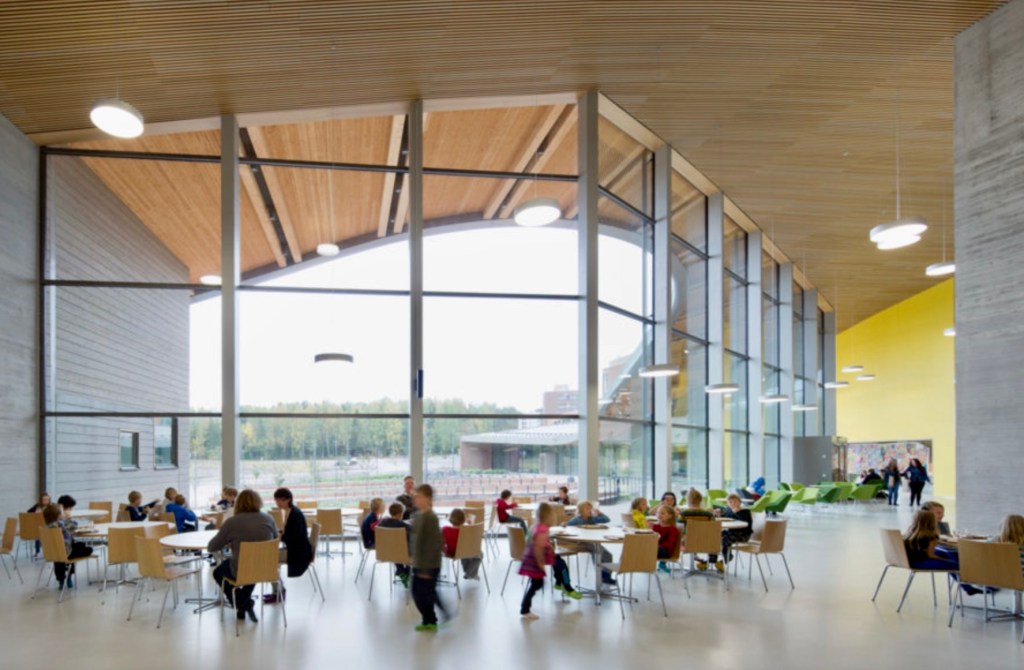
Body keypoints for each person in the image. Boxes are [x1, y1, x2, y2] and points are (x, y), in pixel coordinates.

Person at [208, 489, 277, 622]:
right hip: (265, 568)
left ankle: (241, 603)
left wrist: (229, 542)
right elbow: (274, 539)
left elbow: (212, 547)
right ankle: (243, 604)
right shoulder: (269, 518)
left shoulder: (232, 522)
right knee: (252, 565)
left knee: (218, 572)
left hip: (241, 569)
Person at [519, 502, 581, 620]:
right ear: (548, 516)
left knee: (538, 582)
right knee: (537, 584)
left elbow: (535, 542)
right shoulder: (543, 529)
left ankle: (559, 583)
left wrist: (549, 549)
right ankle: (525, 609)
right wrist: (541, 563)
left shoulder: (536, 526)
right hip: (535, 561)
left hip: (530, 559)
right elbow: (538, 548)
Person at [410, 484, 449, 631]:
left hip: (428, 564)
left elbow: (434, 543)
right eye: (415, 496)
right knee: (422, 592)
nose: (416, 499)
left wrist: (426, 569)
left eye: (419, 496)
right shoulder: (419, 516)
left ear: (428, 499)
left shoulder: (431, 518)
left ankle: (431, 620)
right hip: (419, 562)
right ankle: (430, 619)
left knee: (425, 593)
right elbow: (417, 539)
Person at [265, 487, 311, 604]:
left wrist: (280, 536)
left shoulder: (294, 514)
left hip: (298, 552)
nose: (278, 503)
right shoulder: (291, 511)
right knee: (269, 557)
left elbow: (294, 537)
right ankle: (278, 590)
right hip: (297, 549)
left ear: (289, 499)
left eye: (281, 500)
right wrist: (281, 534)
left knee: (268, 559)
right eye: (276, 500)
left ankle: (279, 592)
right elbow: (291, 534)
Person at [42, 502, 93, 589]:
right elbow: (75, 525)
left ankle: (61, 580)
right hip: (67, 552)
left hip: (53, 553)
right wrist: (69, 518)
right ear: (58, 515)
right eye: (62, 512)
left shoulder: (46, 527)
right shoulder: (62, 523)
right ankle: (69, 575)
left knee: (60, 555)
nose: (64, 512)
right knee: (88, 549)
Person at [566, 501, 616, 585]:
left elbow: (607, 519)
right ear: (581, 510)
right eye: (587, 509)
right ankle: (600, 574)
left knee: (607, 554)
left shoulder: (592, 518)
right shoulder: (577, 519)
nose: (589, 510)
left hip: (593, 541)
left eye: (590, 509)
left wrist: (600, 513)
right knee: (597, 551)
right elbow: (567, 525)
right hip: (582, 542)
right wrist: (565, 525)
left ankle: (606, 575)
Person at [680, 488, 720, 572]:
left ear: (687, 500)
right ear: (701, 500)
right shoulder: (708, 515)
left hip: (688, 544)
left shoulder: (684, 514)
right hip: (708, 544)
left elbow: (679, 530)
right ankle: (712, 561)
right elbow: (713, 531)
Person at [378, 501, 411, 587]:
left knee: (395, 547)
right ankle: (406, 572)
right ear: (401, 513)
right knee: (411, 546)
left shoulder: (383, 522)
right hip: (402, 553)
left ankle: (400, 571)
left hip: (386, 552)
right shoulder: (401, 524)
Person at [442, 508, 481, 580]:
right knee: (479, 554)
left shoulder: (445, 529)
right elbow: (472, 542)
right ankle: (469, 573)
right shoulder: (466, 530)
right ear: (463, 519)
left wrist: (444, 551)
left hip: (450, 552)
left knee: (465, 554)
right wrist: (470, 524)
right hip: (463, 552)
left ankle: (469, 573)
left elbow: (441, 543)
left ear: (451, 519)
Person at [716, 493, 754, 562]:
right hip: (731, 532)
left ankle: (728, 557)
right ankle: (714, 559)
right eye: (730, 502)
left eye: (735, 502)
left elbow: (745, 523)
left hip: (743, 534)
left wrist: (738, 513)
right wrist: (719, 515)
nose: (733, 504)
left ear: (740, 502)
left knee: (724, 539)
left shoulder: (745, 511)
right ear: (727, 503)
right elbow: (724, 518)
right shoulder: (728, 510)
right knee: (716, 535)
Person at [651, 505, 681, 574]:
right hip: (656, 548)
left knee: (651, 547)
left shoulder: (672, 529)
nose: (659, 515)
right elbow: (652, 538)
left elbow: (669, 544)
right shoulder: (655, 526)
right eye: (658, 513)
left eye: (662, 513)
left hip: (666, 551)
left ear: (670, 516)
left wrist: (656, 544)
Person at [28, 492, 51, 558]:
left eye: (47, 500)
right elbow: (28, 512)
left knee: (42, 531)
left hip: (49, 526)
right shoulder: (37, 506)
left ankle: (48, 551)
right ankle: (37, 552)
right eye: (44, 500)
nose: (46, 501)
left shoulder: (51, 507)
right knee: (39, 532)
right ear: (41, 500)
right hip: (39, 527)